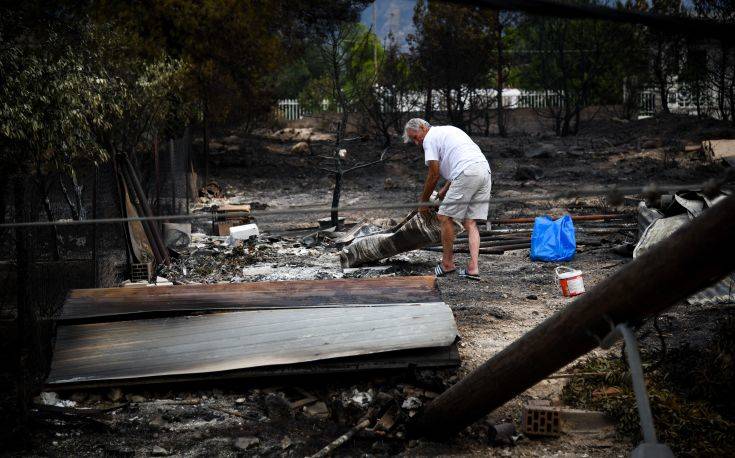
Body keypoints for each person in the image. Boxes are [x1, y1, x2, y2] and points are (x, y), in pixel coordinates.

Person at [403, 118, 491, 280]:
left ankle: (447, 263)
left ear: (422, 127)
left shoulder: (429, 139)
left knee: (444, 217)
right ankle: (473, 268)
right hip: (484, 171)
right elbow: (459, 165)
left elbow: (434, 174)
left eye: (415, 137)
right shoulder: (448, 131)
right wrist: (442, 193)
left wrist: (423, 204)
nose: (416, 143)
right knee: (470, 222)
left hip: (466, 172)